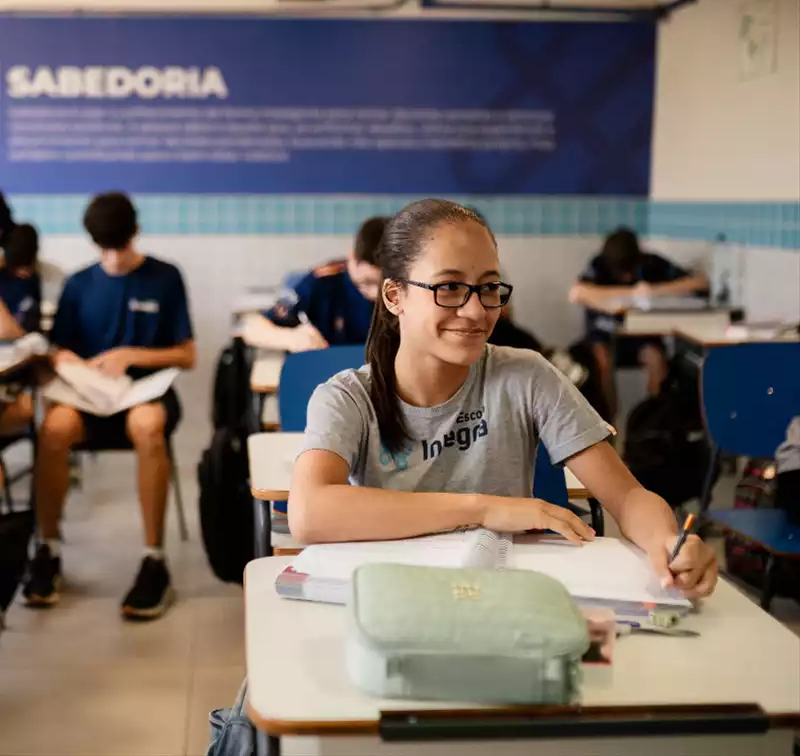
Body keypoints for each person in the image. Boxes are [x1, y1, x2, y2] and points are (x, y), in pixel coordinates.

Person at [288, 200, 717, 599]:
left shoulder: (525, 375)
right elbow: (309, 512)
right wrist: (485, 509)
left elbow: (627, 497)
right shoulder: (347, 397)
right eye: (450, 287)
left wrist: (667, 541)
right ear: (394, 296)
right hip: (397, 599)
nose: (476, 311)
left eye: (489, 288)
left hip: (504, 599)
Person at [23, 192, 196, 620]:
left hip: (143, 392)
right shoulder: (79, 284)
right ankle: (48, 549)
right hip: (89, 396)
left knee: (147, 426)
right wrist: (71, 362)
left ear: (135, 234)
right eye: (105, 249)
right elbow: (60, 348)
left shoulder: (165, 277)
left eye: (119, 247)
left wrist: (131, 355)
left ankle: (153, 558)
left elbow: (187, 354)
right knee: (54, 429)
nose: (113, 258)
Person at [569, 228, 708, 415]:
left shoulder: (651, 263)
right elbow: (577, 292)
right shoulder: (599, 264)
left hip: (640, 338)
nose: (627, 277)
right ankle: (607, 424)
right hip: (604, 338)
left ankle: (654, 419)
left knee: (656, 359)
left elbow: (699, 282)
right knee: (601, 361)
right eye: (622, 274)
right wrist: (631, 294)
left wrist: (653, 291)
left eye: (630, 271)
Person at [244, 216, 387, 351]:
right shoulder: (322, 282)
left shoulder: (405, 286)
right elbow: (252, 328)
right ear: (352, 258)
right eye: (367, 283)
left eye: (386, 285)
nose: (376, 295)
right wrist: (292, 338)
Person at [0, 223, 42, 435]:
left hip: (17, 367)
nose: (24, 273)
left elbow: (14, 332)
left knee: (22, 411)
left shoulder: (40, 278)